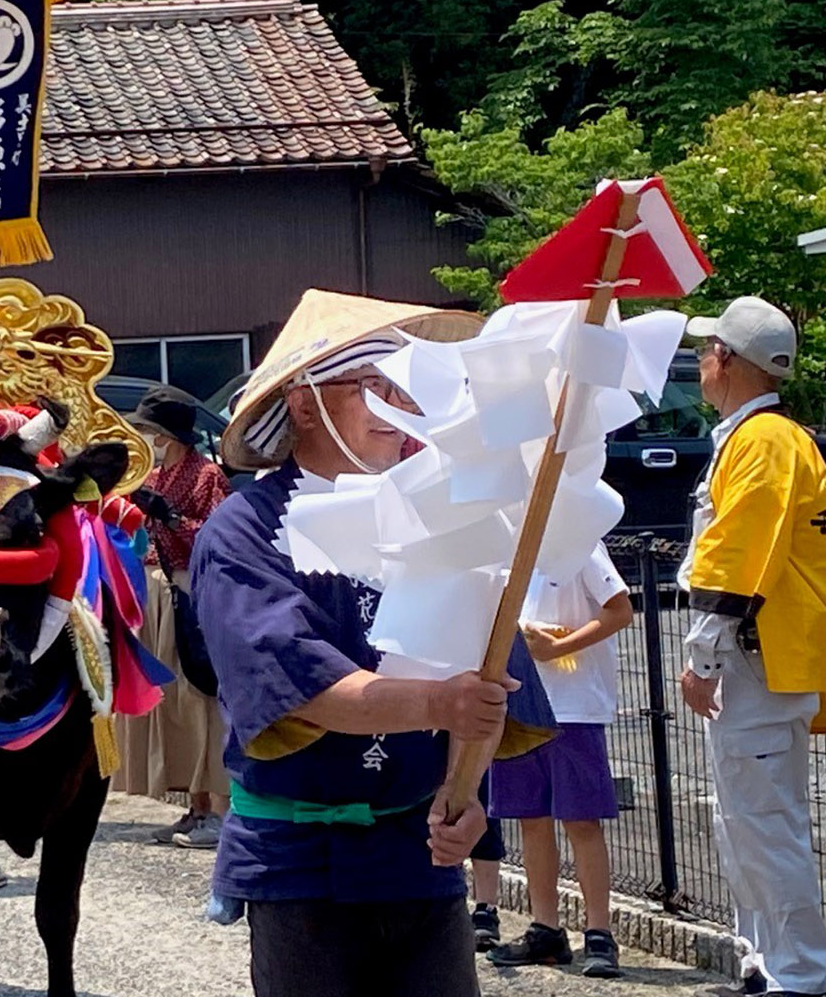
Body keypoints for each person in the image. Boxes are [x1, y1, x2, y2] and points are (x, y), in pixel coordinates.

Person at [192, 290, 514, 997]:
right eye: (375, 387)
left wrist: (465, 793)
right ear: (304, 405)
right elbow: (301, 685)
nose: (399, 408)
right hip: (301, 864)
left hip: (419, 856)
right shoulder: (244, 530)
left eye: (408, 390)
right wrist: (440, 702)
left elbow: (487, 681)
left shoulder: (439, 514)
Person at [677, 296, 826, 997]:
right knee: (749, 823)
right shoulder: (771, 437)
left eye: (707, 349)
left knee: (763, 825)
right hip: (768, 657)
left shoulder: (760, 441)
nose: (702, 360)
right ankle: (770, 963)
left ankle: (799, 975)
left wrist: (701, 656)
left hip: (757, 661)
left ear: (726, 359)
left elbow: (734, 554)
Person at [484, 544, 632, 977]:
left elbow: (620, 610)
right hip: (520, 699)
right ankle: (545, 927)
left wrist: (559, 646)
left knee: (581, 820)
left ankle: (599, 932)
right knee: (531, 818)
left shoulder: (580, 542)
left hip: (574, 705)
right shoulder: (504, 544)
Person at [122, 384, 232, 849]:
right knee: (172, 702)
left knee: (198, 694)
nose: (147, 438)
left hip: (190, 587)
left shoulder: (207, 476)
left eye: (151, 431)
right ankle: (195, 805)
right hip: (157, 590)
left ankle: (217, 809)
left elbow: (220, 537)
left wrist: (171, 518)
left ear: (169, 435)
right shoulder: (153, 475)